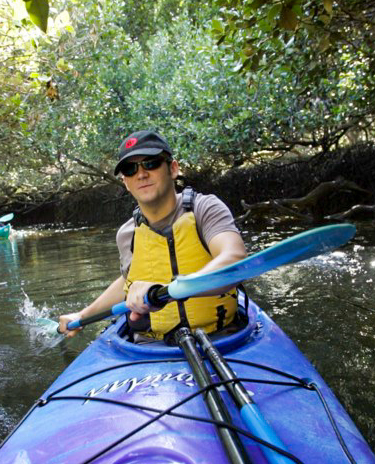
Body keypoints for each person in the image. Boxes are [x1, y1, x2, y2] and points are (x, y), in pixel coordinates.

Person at [58, 130, 247, 342]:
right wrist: (83, 315)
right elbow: (126, 282)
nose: (141, 174)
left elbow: (234, 259)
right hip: (151, 346)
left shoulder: (205, 208)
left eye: (151, 163)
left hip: (222, 336)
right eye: (130, 169)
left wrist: (168, 289)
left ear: (173, 169)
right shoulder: (127, 234)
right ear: (126, 183)